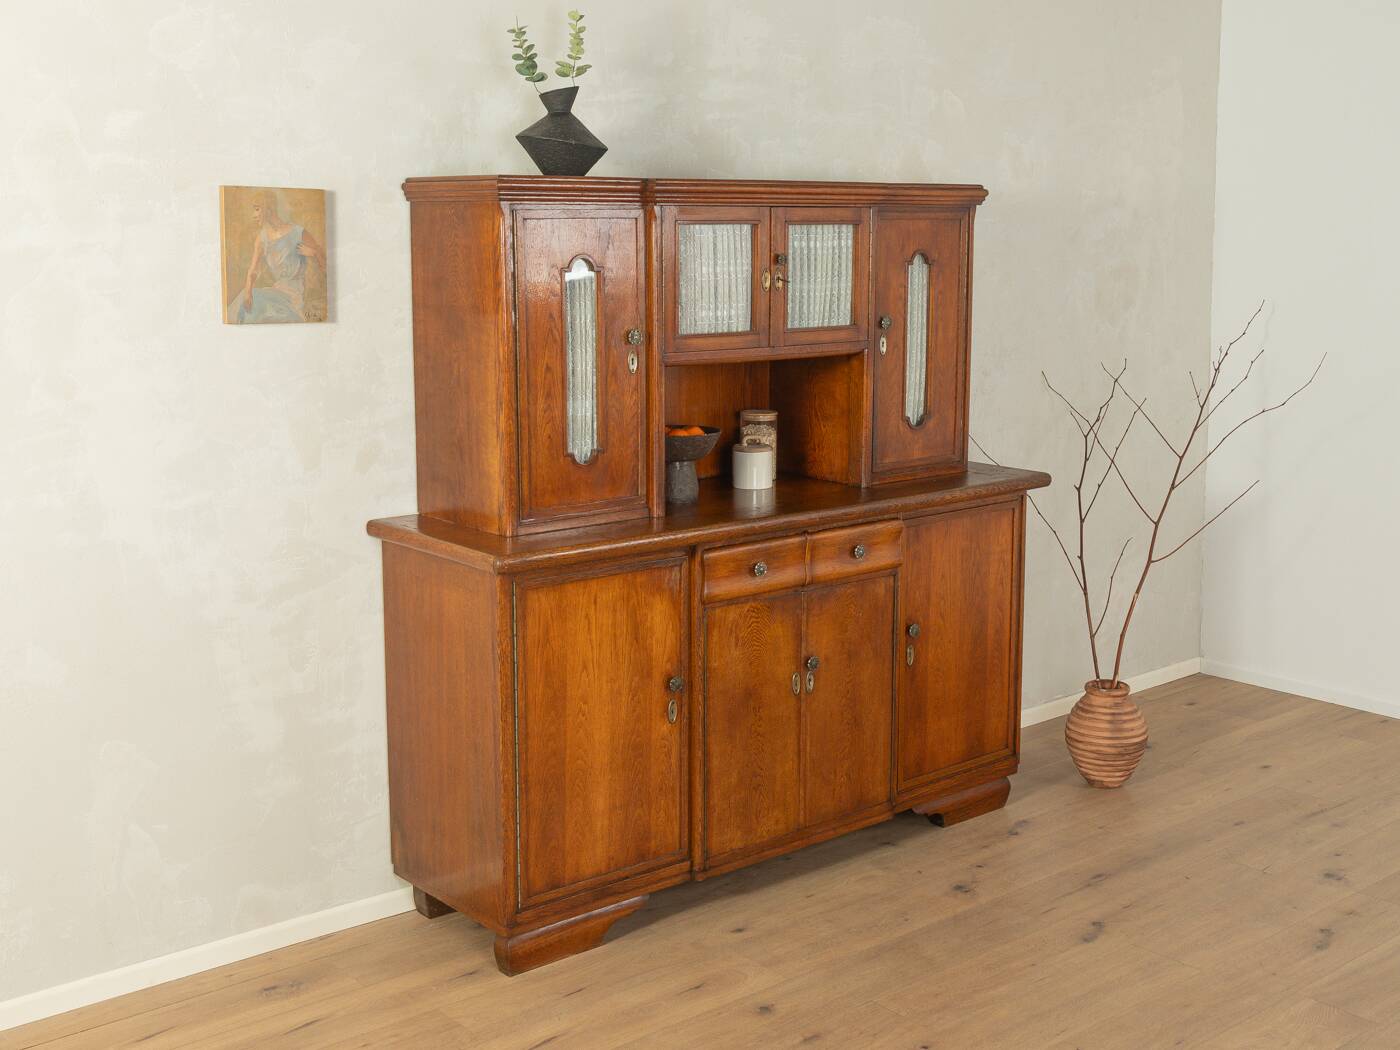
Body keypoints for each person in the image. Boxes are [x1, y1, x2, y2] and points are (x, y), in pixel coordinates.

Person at [227, 191, 324, 323]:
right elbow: (253, 270)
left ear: (268, 208)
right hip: (277, 291)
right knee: (244, 304)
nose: (253, 215)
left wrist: (313, 253)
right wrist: (248, 292)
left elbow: (324, 263)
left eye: (257, 209)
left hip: (294, 295)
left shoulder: (297, 232)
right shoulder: (262, 239)